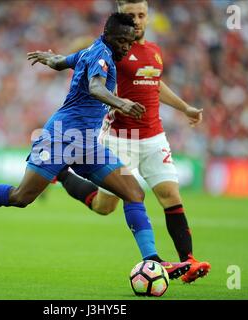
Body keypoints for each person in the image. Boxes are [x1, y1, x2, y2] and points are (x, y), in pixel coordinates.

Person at [0, 13, 190, 279]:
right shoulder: (101, 55)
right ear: (108, 35)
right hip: (61, 137)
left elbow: (62, 62)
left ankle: (153, 260)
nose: (126, 48)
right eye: (121, 41)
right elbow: (95, 87)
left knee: (134, 192)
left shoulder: (91, 50)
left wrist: (49, 58)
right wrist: (122, 103)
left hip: (88, 144)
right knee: (21, 197)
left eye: (130, 42)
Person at [55, 0, 210, 283]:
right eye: (131, 15)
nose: (137, 21)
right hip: (121, 138)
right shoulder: (113, 51)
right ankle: (63, 174)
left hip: (154, 137)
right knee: (105, 206)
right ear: (119, 17)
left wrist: (185, 107)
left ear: (148, 17)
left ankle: (188, 262)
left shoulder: (154, 52)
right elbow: (90, 73)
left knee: (170, 196)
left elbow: (155, 84)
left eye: (142, 15)